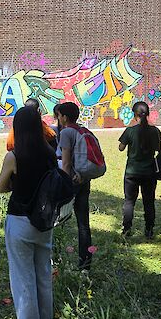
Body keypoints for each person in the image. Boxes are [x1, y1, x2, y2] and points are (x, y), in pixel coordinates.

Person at [0, 106, 56, 319]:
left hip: (20, 221)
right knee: (43, 276)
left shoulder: (14, 156)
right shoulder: (50, 154)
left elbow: (0, 187)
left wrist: (14, 182)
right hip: (44, 222)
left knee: (23, 281)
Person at [55, 102, 94, 270]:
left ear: (64, 117)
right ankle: (85, 264)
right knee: (83, 224)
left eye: (59, 115)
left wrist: (62, 185)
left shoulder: (66, 132)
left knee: (58, 220)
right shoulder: (83, 130)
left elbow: (65, 163)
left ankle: (56, 260)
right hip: (84, 180)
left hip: (70, 182)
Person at [118, 101, 161, 239]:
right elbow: (158, 149)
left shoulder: (130, 131)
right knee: (149, 202)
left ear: (134, 115)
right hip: (149, 172)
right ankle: (149, 230)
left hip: (132, 172)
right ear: (147, 114)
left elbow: (120, 148)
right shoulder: (155, 131)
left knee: (129, 201)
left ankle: (126, 230)